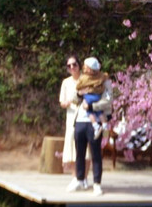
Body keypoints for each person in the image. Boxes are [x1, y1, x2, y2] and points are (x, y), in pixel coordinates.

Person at [67, 57, 111, 197]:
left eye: (87, 67)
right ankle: (79, 179)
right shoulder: (82, 79)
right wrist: (79, 94)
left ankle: (97, 183)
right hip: (80, 119)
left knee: (96, 153)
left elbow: (108, 101)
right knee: (79, 152)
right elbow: (74, 98)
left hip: (95, 120)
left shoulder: (104, 80)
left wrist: (93, 105)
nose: (85, 70)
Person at [76, 56, 111, 138]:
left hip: (90, 99)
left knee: (89, 111)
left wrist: (90, 106)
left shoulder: (85, 78)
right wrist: (79, 94)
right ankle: (105, 125)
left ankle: (95, 125)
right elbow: (75, 97)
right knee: (99, 112)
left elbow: (78, 86)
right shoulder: (101, 76)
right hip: (82, 118)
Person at [59, 55, 81, 173]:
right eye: (69, 66)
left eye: (74, 64)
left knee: (85, 147)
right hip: (71, 116)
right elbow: (62, 101)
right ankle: (75, 176)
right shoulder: (66, 82)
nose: (72, 67)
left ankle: (84, 177)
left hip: (84, 115)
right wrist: (67, 103)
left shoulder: (84, 79)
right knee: (71, 145)